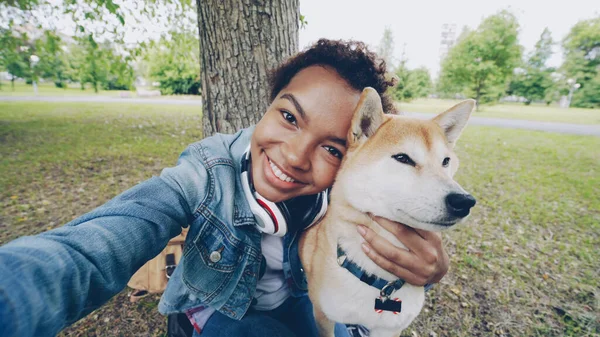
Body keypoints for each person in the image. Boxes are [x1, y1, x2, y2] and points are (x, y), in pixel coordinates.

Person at [0, 39, 448, 337]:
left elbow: (384, 272)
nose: (293, 156)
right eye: (289, 117)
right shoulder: (206, 171)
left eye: (331, 148)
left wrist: (424, 274)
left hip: (292, 304)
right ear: (269, 105)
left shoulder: (351, 196)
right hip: (212, 312)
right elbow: (98, 244)